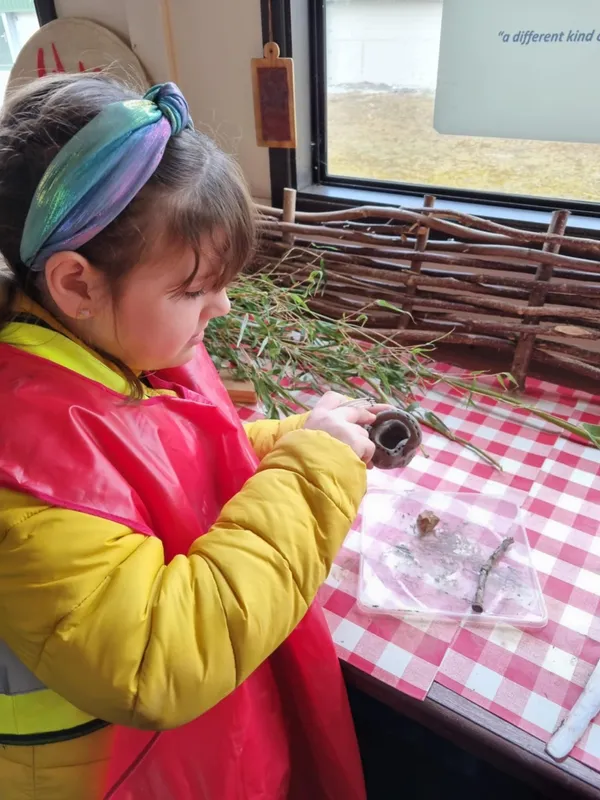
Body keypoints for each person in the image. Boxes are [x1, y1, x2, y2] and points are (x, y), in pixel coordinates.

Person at [0, 74, 380, 800]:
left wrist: (303, 436)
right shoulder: (19, 470)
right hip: (99, 773)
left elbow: (170, 458)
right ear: (76, 284)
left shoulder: (98, 349)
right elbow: (157, 657)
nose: (224, 306)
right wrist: (311, 476)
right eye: (194, 290)